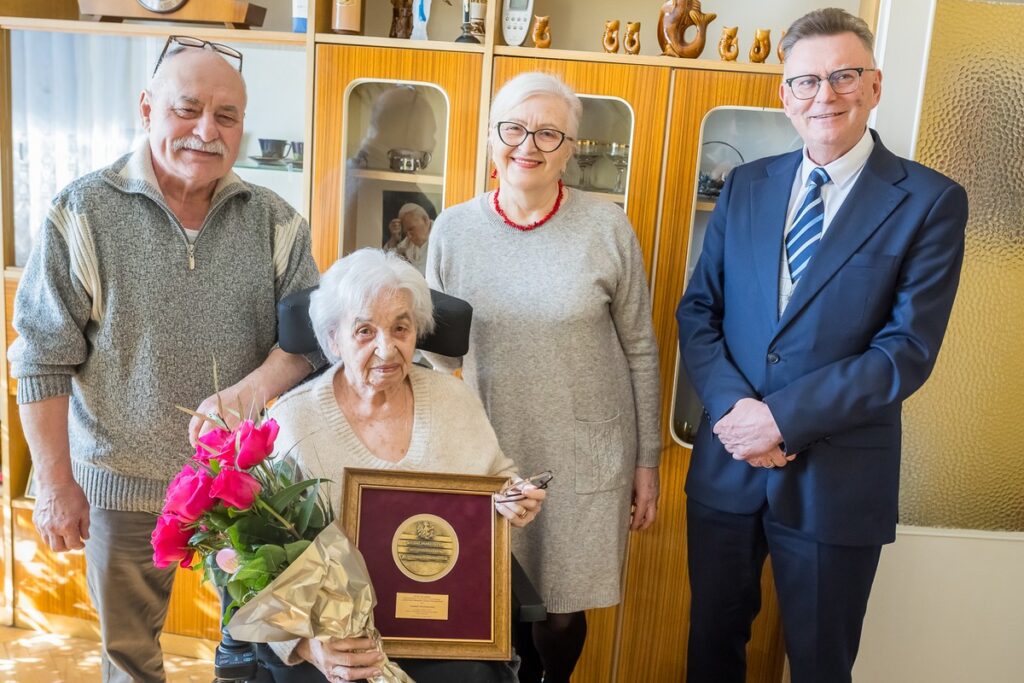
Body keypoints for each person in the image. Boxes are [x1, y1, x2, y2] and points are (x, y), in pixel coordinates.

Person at [7, 37, 320, 683]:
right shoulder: (80, 212)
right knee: (129, 660)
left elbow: (309, 344)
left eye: (227, 116)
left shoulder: (278, 221)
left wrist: (251, 389)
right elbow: (41, 358)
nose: (207, 130)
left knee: (256, 655)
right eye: (188, 109)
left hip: (245, 491)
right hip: (118, 489)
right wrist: (56, 487)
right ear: (147, 107)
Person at [676, 9, 969, 683]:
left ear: (874, 86)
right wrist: (739, 414)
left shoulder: (928, 201)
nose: (824, 96)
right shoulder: (746, 186)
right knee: (711, 648)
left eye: (843, 76)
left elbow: (905, 351)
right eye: (806, 81)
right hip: (728, 467)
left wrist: (782, 420)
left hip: (837, 480)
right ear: (784, 94)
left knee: (819, 664)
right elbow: (700, 312)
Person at [425, 72, 662, 683]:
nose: (528, 144)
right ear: (490, 138)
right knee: (494, 603)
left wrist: (647, 463)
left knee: (560, 612)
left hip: (585, 456)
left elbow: (641, 349)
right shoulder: (452, 230)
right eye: (514, 128)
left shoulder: (607, 228)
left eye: (549, 133)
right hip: (489, 450)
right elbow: (435, 359)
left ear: (570, 148)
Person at [262, 248, 546, 683]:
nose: (386, 348)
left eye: (400, 327)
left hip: (445, 630)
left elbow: (497, 479)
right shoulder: (291, 421)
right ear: (333, 339)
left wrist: (515, 499)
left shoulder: (454, 402)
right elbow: (254, 559)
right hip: (333, 635)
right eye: (364, 331)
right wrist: (305, 645)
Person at [393, 202, 432, 274]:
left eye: (411, 229)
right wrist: (394, 237)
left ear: (425, 220)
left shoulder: (441, 238)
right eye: (406, 232)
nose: (409, 236)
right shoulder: (406, 243)